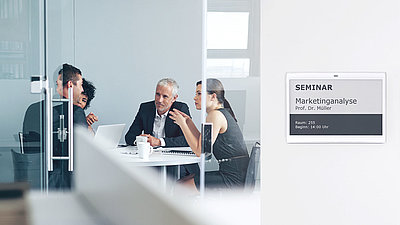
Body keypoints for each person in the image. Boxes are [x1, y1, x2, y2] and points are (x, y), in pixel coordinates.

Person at [169, 78, 249, 190]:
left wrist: (182, 125)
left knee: (180, 187)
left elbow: (199, 151)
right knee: (182, 182)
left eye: (199, 94)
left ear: (213, 97)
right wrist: (188, 122)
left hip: (232, 178)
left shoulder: (215, 115)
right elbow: (201, 143)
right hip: (236, 174)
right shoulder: (219, 113)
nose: (194, 97)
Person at [125, 78, 199, 177]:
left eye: (165, 96)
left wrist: (159, 142)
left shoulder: (180, 109)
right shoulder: (145, 108)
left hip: (176, 162)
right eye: (157, 94)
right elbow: (129, 136)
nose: (159, 100)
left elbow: (187, 140)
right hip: (151, 160)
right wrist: (141, 141)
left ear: (174, 98)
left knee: (170, 175)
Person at [50, 63, 88, 190]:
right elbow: (84, 149)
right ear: (71, 85)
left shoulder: (52, 110)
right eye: (81, 84)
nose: (82, 90)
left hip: (52, 178)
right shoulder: (76, 112)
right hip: (70, 179)